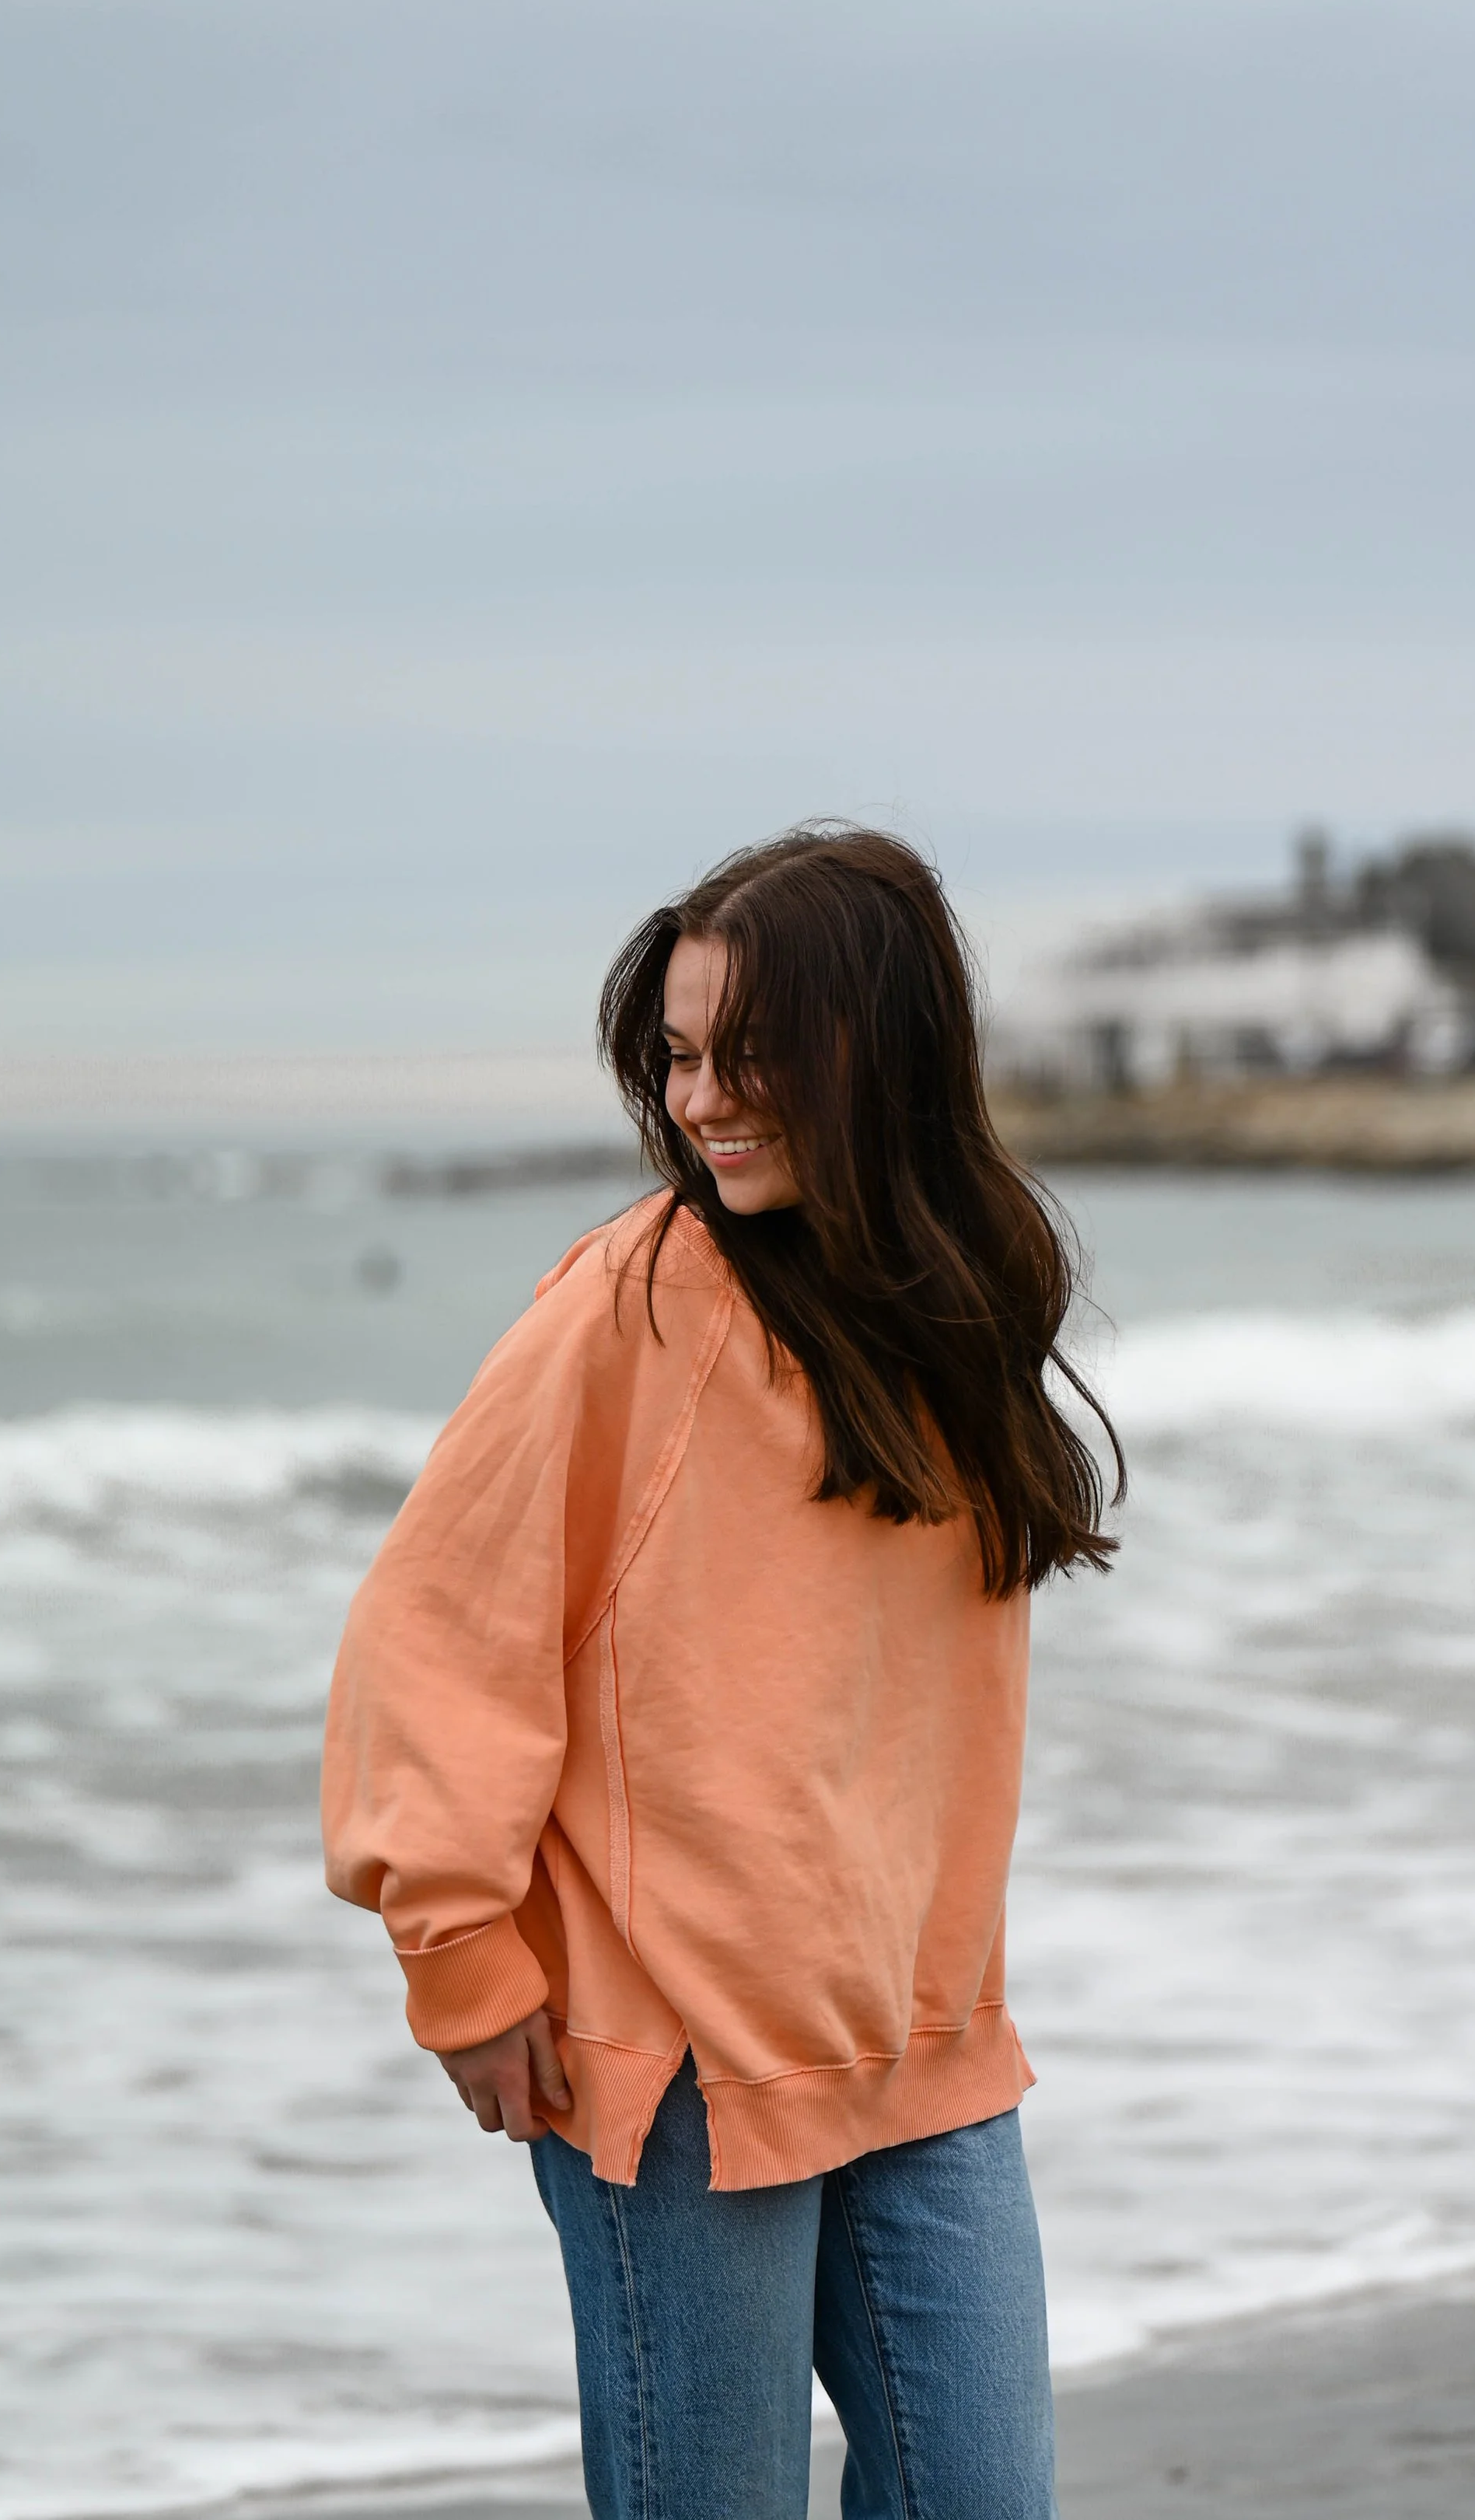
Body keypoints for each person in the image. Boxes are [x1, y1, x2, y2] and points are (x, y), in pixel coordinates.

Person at [322, 826, 1121, 2519]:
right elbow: (433, 1631)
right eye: (679, 1056)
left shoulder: (957, 1305)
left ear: (877, 1051)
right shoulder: (628, 1309)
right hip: (670, 2050)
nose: (700, 1099)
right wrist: (461, 1955)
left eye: (746, 1051)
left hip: (919, 2028)